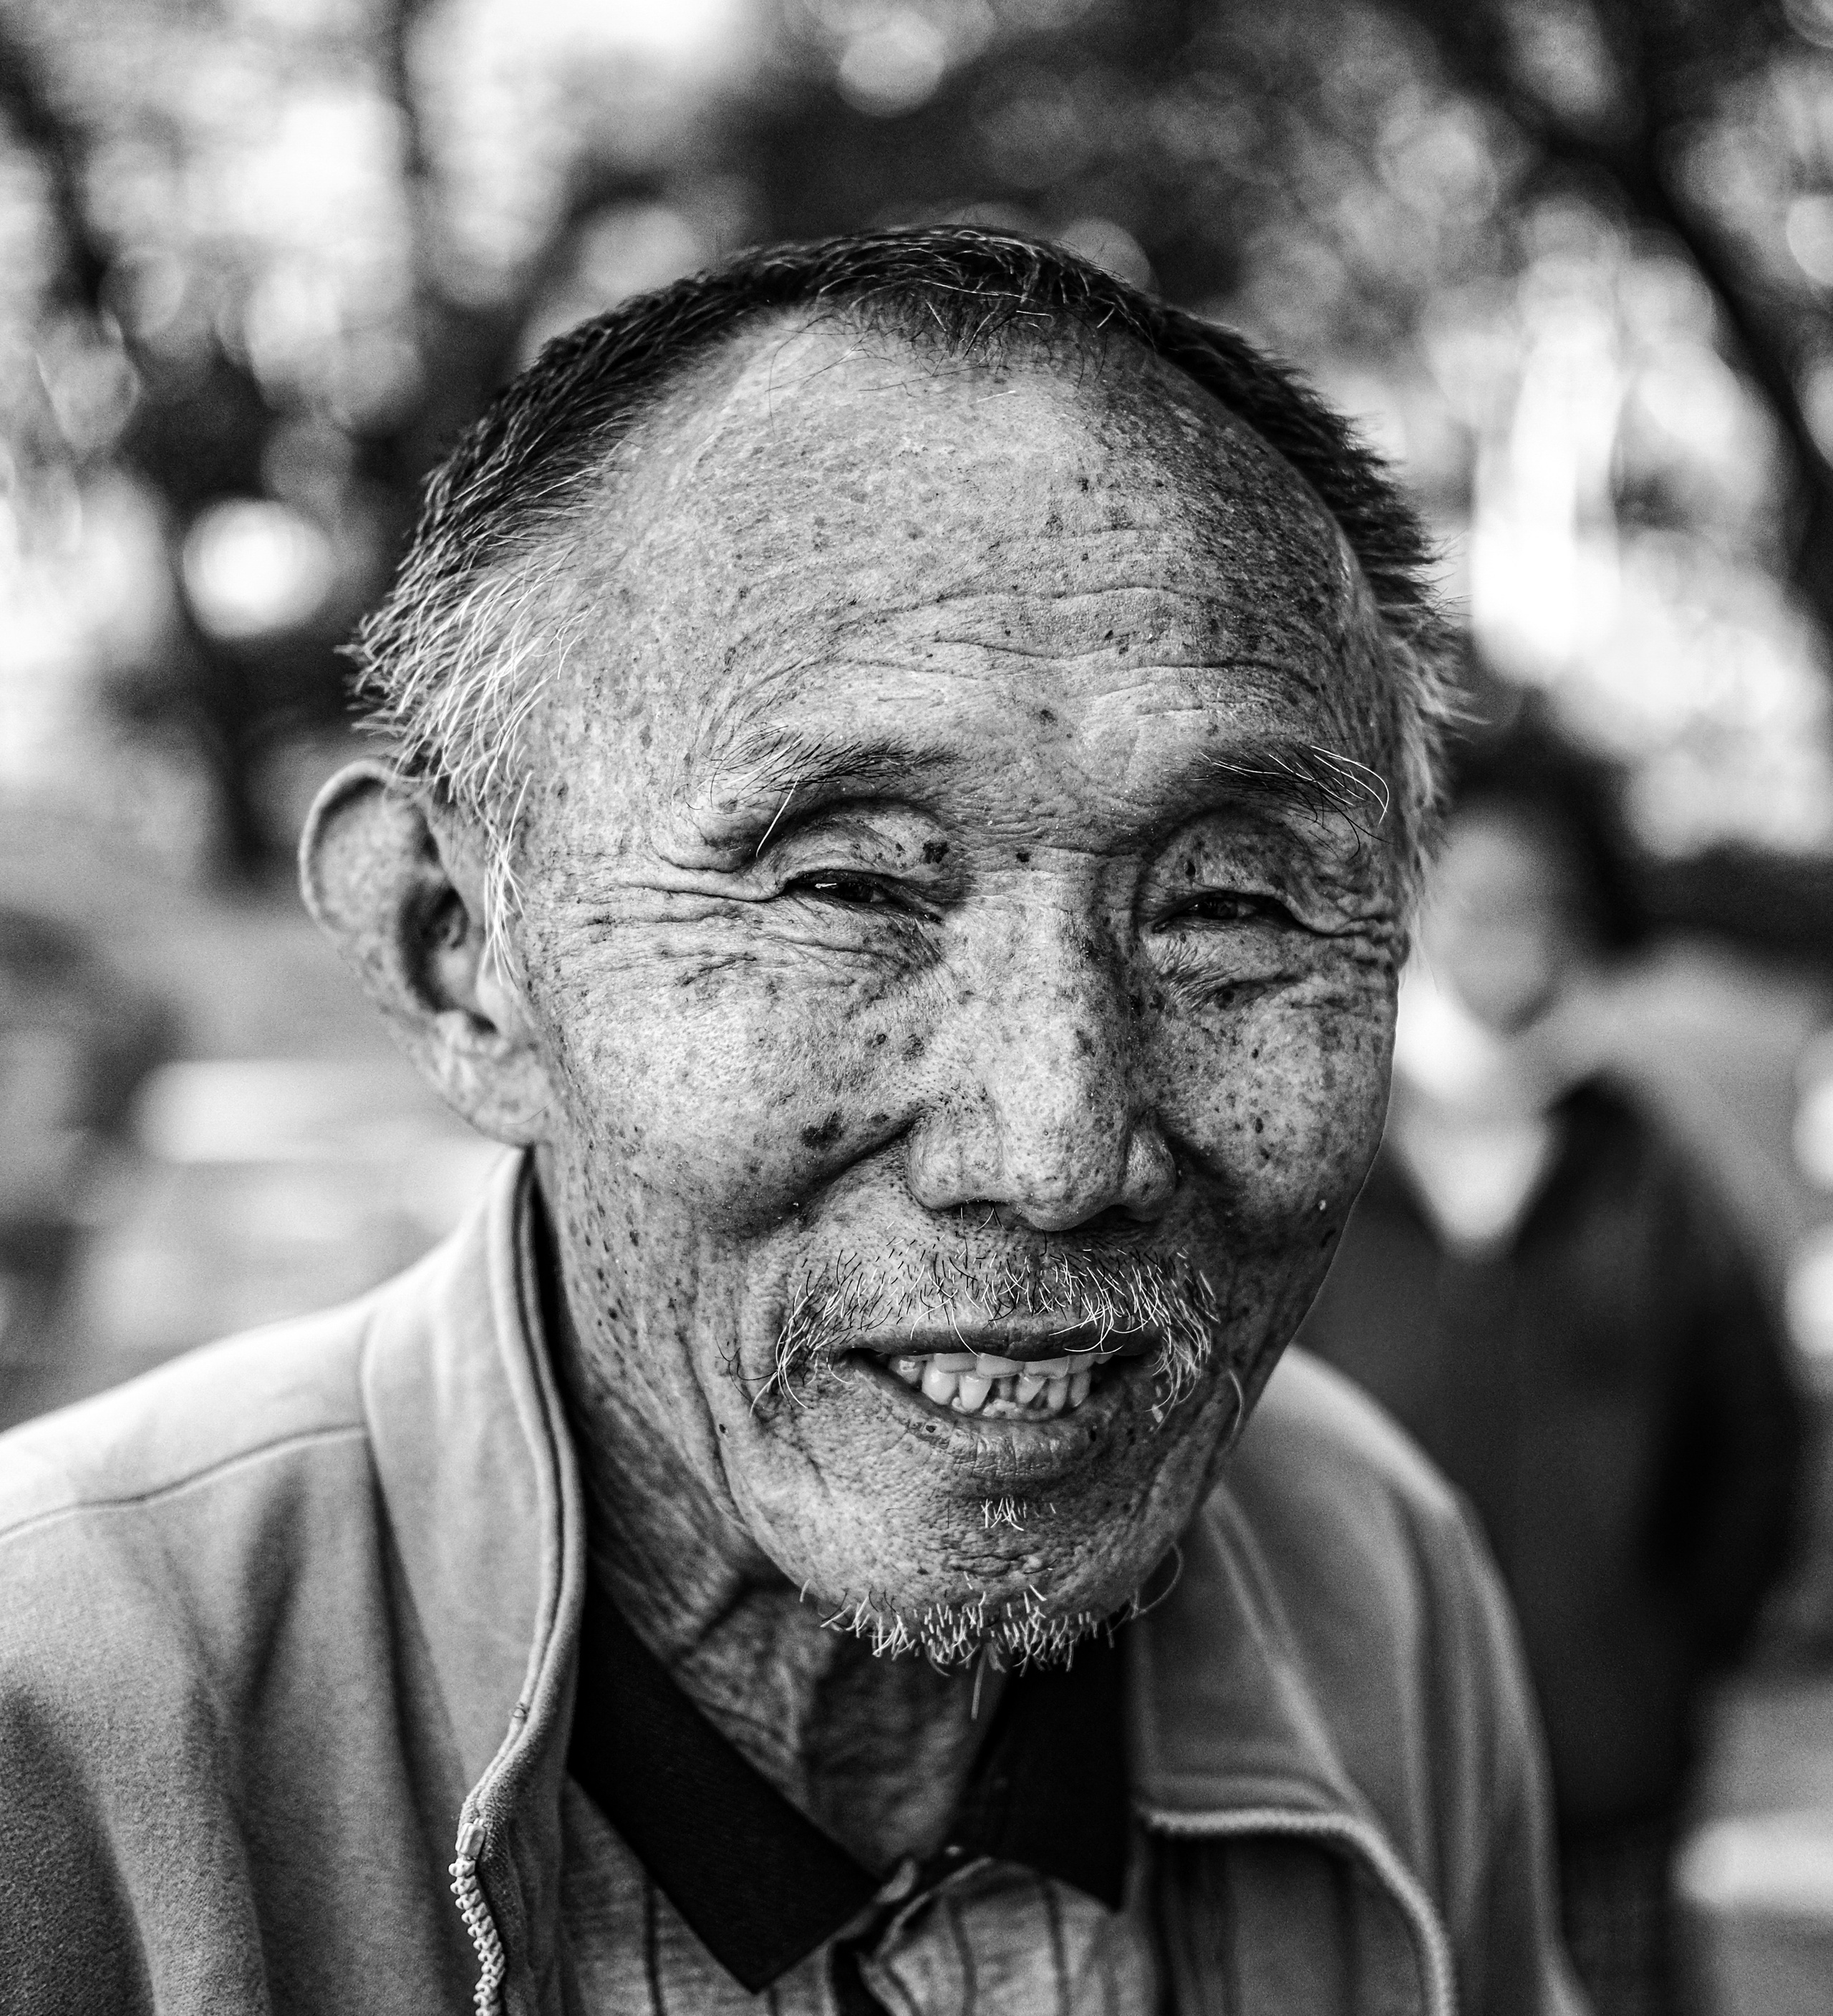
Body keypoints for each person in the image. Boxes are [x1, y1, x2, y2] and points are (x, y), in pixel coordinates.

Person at [0, 229, 1582, 2015]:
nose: (1055, 1149)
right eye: (843, 885)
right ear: (458, 952)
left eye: (1229, 906)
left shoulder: (1370, 1578)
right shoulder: (54, 1713)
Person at [1300, 714, 1804, 2016]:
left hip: (1600, 1781)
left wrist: (1658, 1663)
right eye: (1469, 895)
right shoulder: (1318, 1165)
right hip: (1347, 1768)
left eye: (1539, 903)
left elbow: (1752, 1451)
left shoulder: (1651, 1175)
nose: (1500, 934)